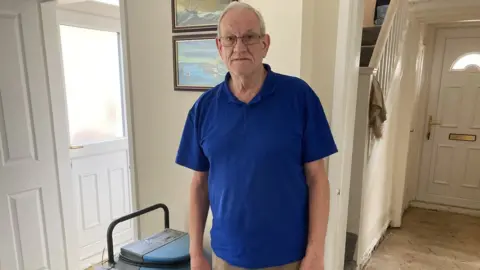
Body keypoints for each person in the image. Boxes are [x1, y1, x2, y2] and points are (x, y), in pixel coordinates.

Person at [175, 2, 337, 270]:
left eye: (249, 36)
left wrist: (316, 252)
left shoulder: (299, 97)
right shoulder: (204, 108)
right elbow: (199, 184)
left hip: (289, 258)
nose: (239, 47)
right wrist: (195, 253)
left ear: (265, 43)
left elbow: (318, 179)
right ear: (219, 46)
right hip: (226, 256)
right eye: (230, 38)